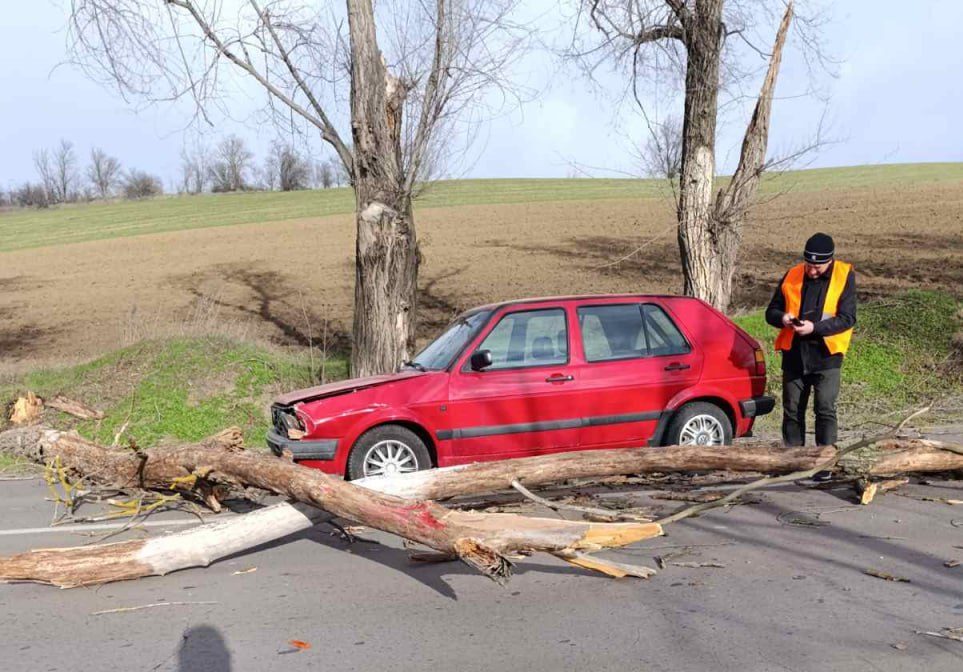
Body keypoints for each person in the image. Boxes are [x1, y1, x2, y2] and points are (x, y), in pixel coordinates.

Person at [766, 233, 857, 456]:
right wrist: (783, 319)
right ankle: (793, 460)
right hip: (794, 355)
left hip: (827, 355)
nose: (812, 270)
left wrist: (814, 328)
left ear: (830, 260)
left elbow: (848, 318)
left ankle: (824, 462)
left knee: (825, 409)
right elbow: (771, 312)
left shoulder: (844, 275)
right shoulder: (793, 274)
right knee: (792, 411)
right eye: (809, 264)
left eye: (818, 266)